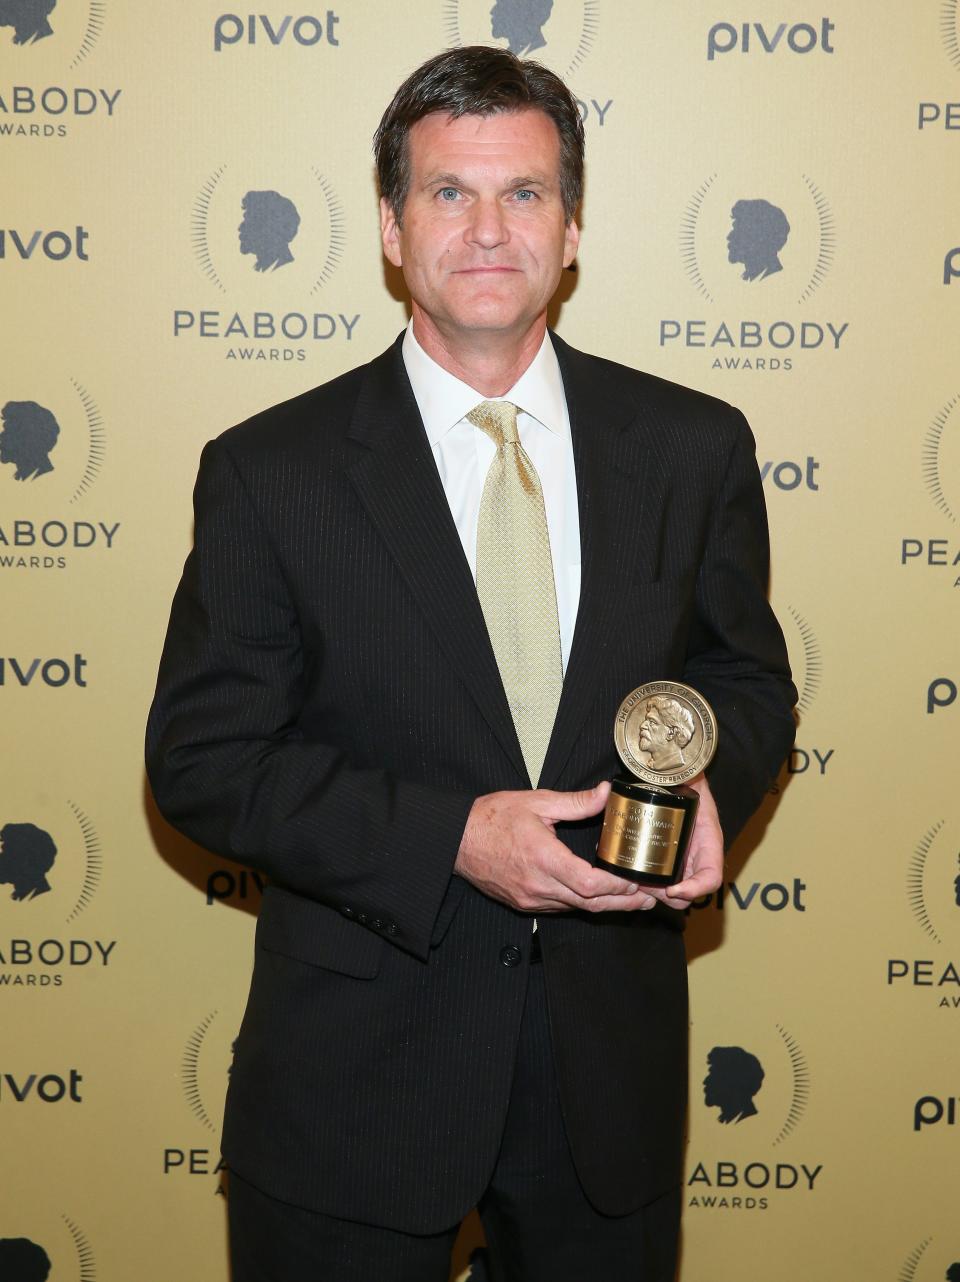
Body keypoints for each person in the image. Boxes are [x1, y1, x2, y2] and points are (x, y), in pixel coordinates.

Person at [146, 45, 796, 1282]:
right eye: (450, 193)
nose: (488, 229)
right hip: (354, 1081)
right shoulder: (268, 473)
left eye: (525, 193)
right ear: (393, 228)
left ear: (571, 225)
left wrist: (718, 786)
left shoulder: (694, 446)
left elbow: (745, 678)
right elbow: (203, 761)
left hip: (606, 1073)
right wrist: (452, 834)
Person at [726, 198, 791, 282]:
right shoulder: (749, 277)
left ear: (760, 238)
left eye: (739, 230)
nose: (729, 237)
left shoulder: (776, 280)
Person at [237, 190, 300, 272]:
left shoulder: (288, 271)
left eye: (250, 222)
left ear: (271, 229)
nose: (240, 228)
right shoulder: (261, 268)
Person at [702, 1046, 765, 1124]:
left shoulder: (751, 1123)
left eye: (714, 1075)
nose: (705, 1081)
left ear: (734, 1082)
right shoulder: (725, 1119)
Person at [0, 401, 60, 482]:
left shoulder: (46, 480)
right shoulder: (21, 476)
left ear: (28, 439)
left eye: (9, 431)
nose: (1, 436)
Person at [638, 696, 695, 773]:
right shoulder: (652, 764)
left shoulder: (671, 764)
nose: (642, 726)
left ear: (671, 733)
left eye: (652, 722)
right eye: (646, 720)